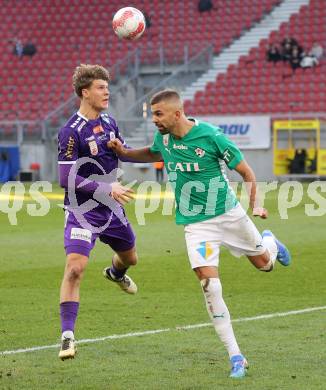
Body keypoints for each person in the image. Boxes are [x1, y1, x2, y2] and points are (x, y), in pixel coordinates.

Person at [108, 89, 291, 379]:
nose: (154, 119)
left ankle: (269, 242)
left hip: (230, 216)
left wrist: (256, 205)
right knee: (210, 286)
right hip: (197, 226)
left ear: (177, 113)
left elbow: (247, 172)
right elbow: (153, 152)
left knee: (265, 265)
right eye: (152, 114)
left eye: (158, 114)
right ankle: (236, 357)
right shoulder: (164, 138)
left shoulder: (212, 136)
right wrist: (123, 153)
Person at [57, 64, 139, 360]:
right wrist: (106, 189)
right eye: (101, 88)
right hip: (82, 211)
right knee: (75, 268)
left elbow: (120, 150)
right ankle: (67, 336)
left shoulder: (109, 122)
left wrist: (122, 148)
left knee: (131, 258)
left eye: (107, 87)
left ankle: (116, 273)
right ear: (85, 92)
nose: (107, 92)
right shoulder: (70, 132)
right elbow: (65, 179)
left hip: (112, 209)